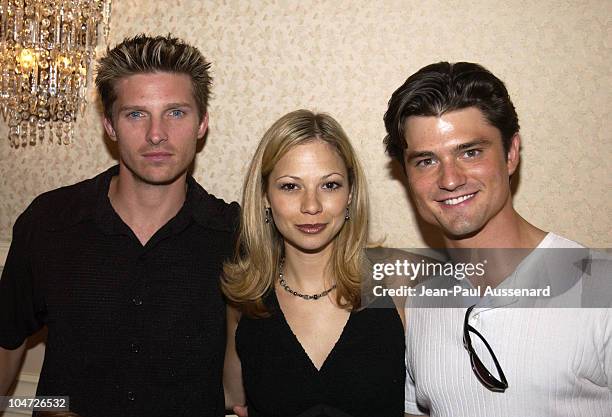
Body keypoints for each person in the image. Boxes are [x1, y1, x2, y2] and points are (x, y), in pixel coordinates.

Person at [0, 34, 239, 417]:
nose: (156, 134)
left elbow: (242, 387)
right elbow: (6, 345)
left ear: (202, 124)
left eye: (175, 112)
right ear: (109, 125)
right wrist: (49, 406)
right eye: (136, 114)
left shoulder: (235, 236)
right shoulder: (49, 222)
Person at [383, 61, 611, 417]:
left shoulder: (601, 286)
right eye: (426, 161)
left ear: (511, 153)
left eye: (470, 152)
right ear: (407, 175)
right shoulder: (419, 304)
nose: (450, 179)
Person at [222, 109, 406, 417]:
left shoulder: (398, 284)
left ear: (350, 194)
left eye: (330, 185)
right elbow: (232, 399)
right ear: (265, 196)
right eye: (290, 186)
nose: (311, 206)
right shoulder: (243, 301)